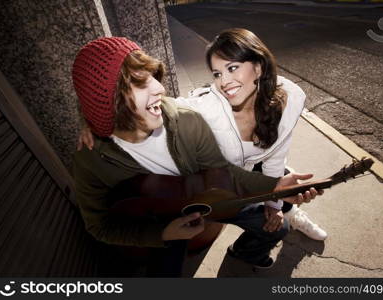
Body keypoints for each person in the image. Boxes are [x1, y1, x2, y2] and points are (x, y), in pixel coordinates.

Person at [72, 37, 321, 277]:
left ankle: (245, 252)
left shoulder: (186, 120)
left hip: (211, 197)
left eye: (153, 78)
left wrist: (274, 188)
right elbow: (99, 226)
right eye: (140, 83)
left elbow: (223, 171)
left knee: (279, 228)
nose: (160, 87)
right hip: (163, 225)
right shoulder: (91, 161)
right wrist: (162, 234)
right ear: (110, 102)